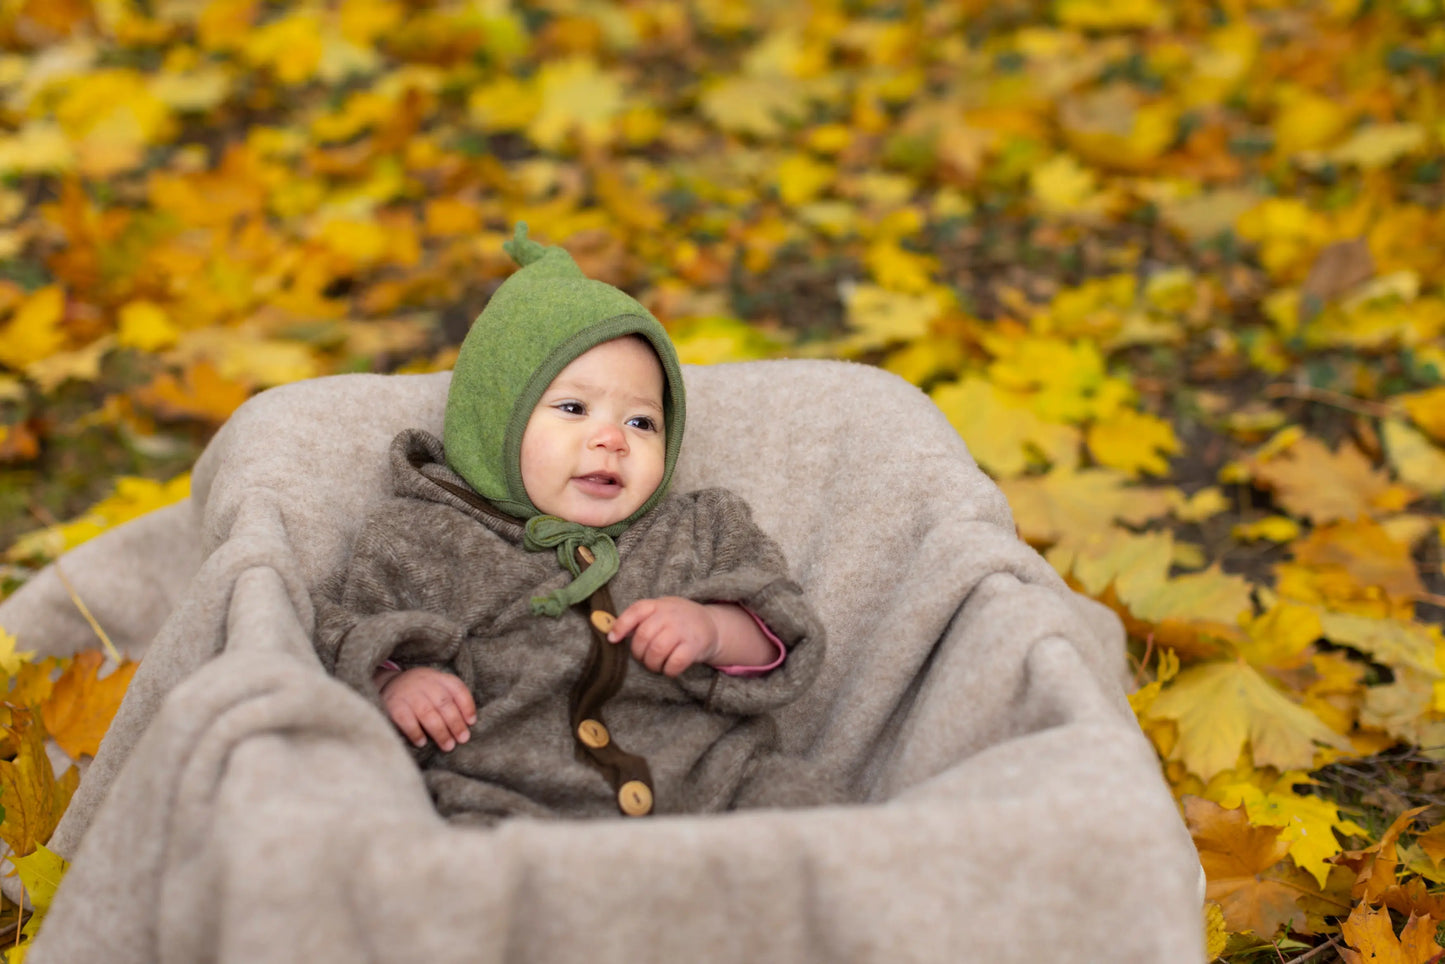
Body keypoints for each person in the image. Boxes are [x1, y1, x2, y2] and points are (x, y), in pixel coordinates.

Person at [314, 224, 825, 823]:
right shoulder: (419, 538)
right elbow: (342, 628)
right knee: (446, 858)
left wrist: (713, 629)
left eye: (641, 422)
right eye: (573, 409)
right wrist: (397, 682)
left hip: (709, 786)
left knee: (806, 810)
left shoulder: (701, 527)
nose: (611, 439)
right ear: (495, 421)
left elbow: (782, 626)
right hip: (509, 797)